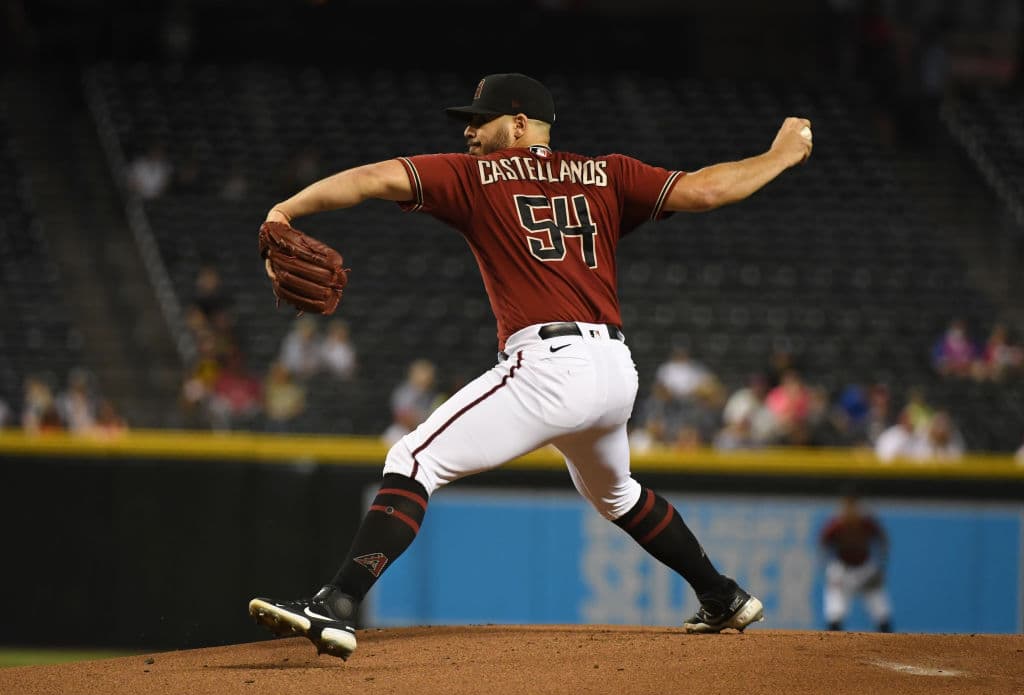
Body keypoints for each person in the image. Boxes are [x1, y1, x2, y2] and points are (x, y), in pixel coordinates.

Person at [249, 72, 813, 660]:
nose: (468, 130)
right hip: (615, 368)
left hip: (550, 364)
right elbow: (706, 189)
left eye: (480, 118)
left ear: (518, 125)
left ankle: (335, 604)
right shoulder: (610, 173)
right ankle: (722, 596)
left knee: (413, 457)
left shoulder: (475, 176)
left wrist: (284, 210)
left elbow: (370, 179)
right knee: (616, 494)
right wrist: (779, 154)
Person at [819, 490, 893, 632]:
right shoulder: (836, 524)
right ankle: (830, 651)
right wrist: (829, 570)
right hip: (843, 570)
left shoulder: (867, 523)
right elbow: (823, 546)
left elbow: (883, 541)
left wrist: (880, 568)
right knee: (835, 614)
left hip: (865, 570)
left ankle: (891, 650)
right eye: (848, 505)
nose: (851, 509)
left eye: (853, 505)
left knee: (882, 613)